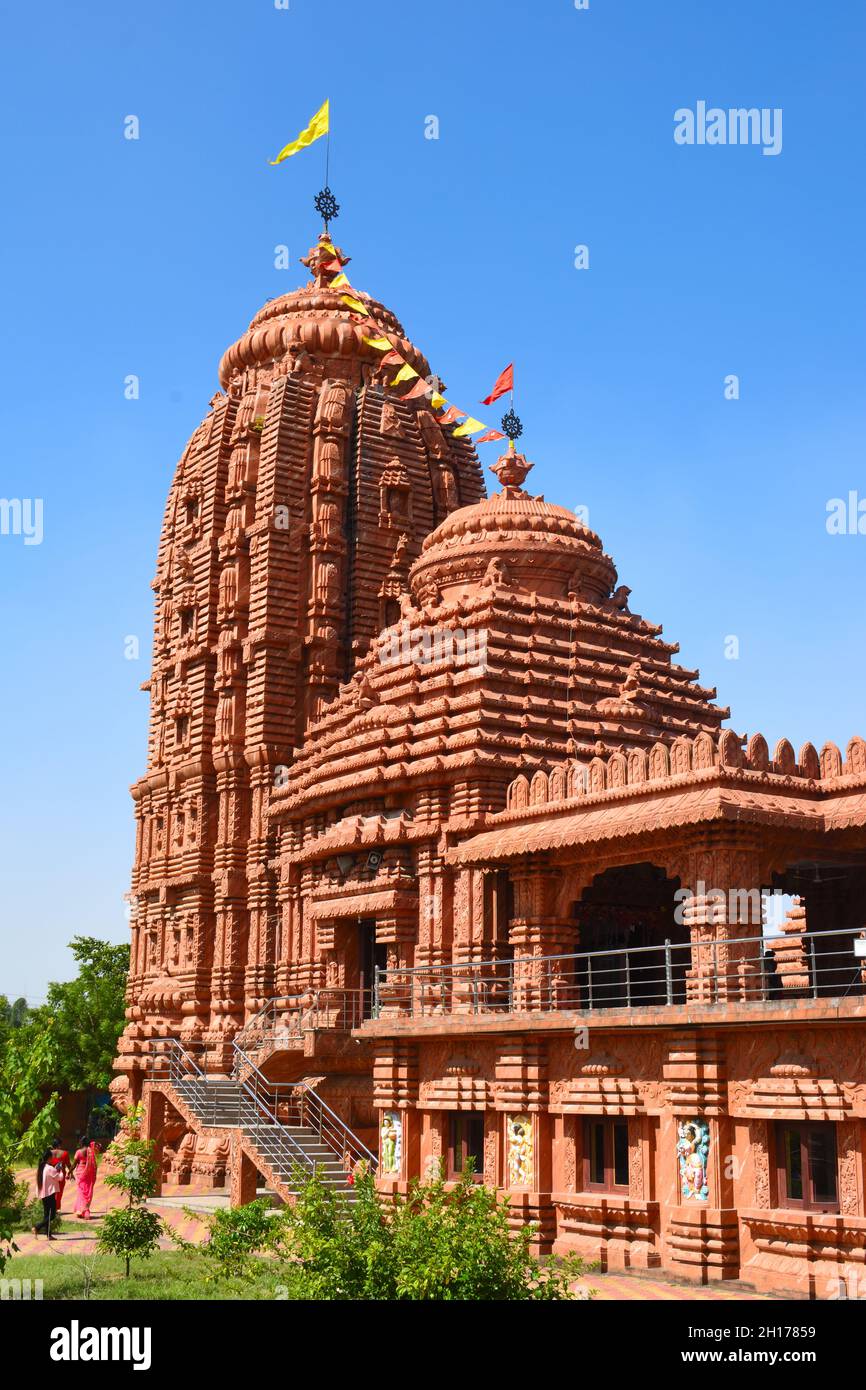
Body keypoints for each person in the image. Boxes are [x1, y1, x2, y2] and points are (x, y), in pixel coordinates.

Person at [33, 1148, 63, 1238]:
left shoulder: (42, 1168)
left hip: (43, 1194)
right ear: (49, 1158)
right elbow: (60, 1178)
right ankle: (37, 1227)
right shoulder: (50, 1168)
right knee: (52, 1215)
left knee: (46, 1215)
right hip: (50, 1194)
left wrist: (56, 1169)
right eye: (52, 1157)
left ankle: (48, 1234)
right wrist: (60, 1170)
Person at [72, 1134, 100, 1220]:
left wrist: (69, 1172)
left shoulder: (79, 1152)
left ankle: (85, 1211)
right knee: (88, 1191)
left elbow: (74, 1163)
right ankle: (81, 1210)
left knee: (81, 1191)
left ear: (81, 1142)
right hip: (89, 1174)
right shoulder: (91, 1151)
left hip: (81, 1174)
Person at [50, 1139, 73, 1212]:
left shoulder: (49, 1153)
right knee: (59, 1192)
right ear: (59, 1145)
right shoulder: (65, 1153)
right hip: (60, 1175)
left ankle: (51, 1208)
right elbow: (69, 1165)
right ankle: (56, 1208)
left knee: (50, 1191)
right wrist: (71, 1174)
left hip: (50, 1175)